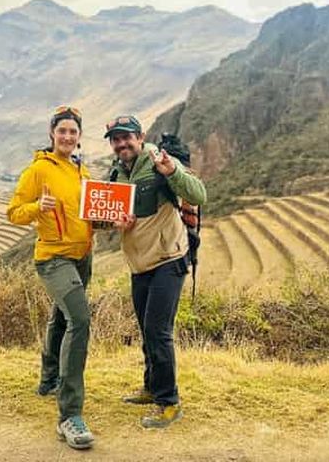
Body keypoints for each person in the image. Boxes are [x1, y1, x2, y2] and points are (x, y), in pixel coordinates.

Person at [103, 114, 206, 428]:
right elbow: (104, 220)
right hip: (140, 264)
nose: (122, 144)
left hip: (169, 258)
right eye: (116, 139)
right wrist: (113, 224)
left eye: (127, 137)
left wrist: (172, 170)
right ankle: (151, 386)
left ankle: (169, 402)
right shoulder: (116, 174)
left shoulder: (159, 160)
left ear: (140, 136)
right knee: (146, 330)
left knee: (158, 332)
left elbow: (198, 194)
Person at [7, 105, 94, 450]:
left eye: (73, 132)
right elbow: (14, 212)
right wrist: (36, 209)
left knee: (61, 318)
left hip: (82, 257)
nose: (68, 137)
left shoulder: (82, 171)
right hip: (53, 258)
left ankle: (48, 379)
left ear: (79, 137)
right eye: (63, 131)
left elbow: (86, 214)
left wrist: (108, 220)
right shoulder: (39, 170)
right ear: (52, 134)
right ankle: (69, 416)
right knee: (81, 320)